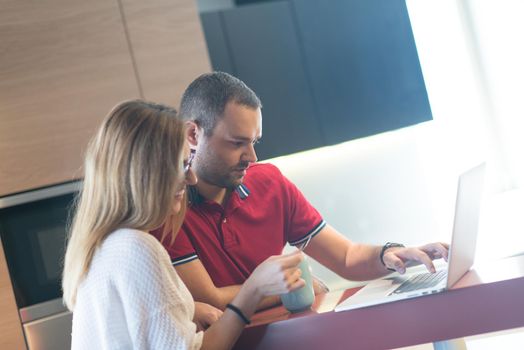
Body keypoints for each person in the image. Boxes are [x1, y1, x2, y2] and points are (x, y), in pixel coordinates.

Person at [151, 72, 450, 311]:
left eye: (255, 141)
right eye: (237, 143)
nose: (252, 157)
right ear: (193, 134)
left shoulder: (269, 183)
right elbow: (211, 300)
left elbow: (345, 256)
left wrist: (391, 255)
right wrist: (297, 285)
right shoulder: (167, 210)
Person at [62, 100, 306, 350]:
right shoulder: (138, 248)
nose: (191, 178)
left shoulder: (103, 247)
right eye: (182, 166)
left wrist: (187, 310)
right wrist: (254, 289)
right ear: (148, 173)